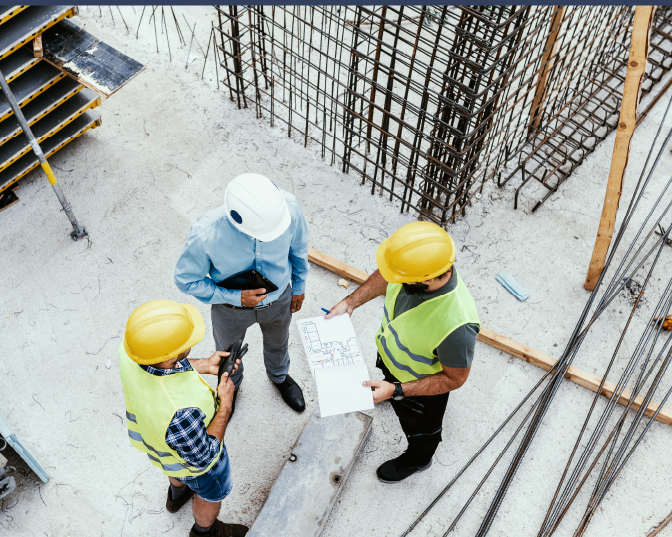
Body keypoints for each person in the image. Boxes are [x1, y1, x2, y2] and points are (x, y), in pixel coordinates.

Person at [325, 221, 481, 483]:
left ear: (427, 278)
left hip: (419, 389)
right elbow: (387, 276)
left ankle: (419, 459)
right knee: (388, 388)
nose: (394, 278)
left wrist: (397, 390)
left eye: (401, 276)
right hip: (392, 361)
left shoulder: (457, 326)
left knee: (421, 428)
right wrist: (351, 302)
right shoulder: (416, 271)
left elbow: (455, 379)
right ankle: (389, 392)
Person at [118, 299, 248, 537]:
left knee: (176, 470)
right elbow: (204, 457)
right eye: (185, 344)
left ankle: (177, 495)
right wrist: (226, 404)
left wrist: (204, 365)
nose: (191, 343)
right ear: (170, 356)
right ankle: (204, 530)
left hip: (157, 444)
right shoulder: (181, 413)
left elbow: (161, 368)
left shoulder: (130, 349)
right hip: (196, 460)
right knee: (211, 491)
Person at [174, 173, 308, 412]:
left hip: (279, 302)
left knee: (279, 343)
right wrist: (235, 297)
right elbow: (187, 280)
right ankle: (231, 387)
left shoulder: (288, 209)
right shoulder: (206, 233)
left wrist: (298, 287)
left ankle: (279, 376)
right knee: (228, 354)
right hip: (230, 311)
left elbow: (298, 249)